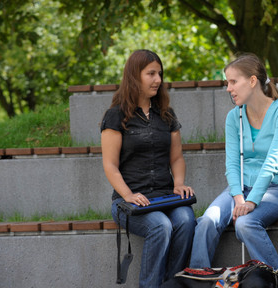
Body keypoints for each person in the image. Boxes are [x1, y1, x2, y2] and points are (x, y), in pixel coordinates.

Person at [189, 54, 278, 276]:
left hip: (276, 189)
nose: (228, 88)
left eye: (233, 81)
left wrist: (251, 201)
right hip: (240, 189)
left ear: (252, 81)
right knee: (207, 221)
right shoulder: (234, 116)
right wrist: (238, 197)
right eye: (227, 82)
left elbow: (273, 161)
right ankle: (198, 278)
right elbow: (232, 162)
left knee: (245, 224)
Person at [101, 49, 196, 288]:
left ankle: (171, 284)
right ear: (135, 76)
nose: (158, 80)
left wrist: (179, 183)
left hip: (165, 197)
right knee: (161, 226)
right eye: (151, 73)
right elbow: (110, 165)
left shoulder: (166, 115)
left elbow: (176, 158)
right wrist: (128, 195)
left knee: (186, 220)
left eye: (159, 74)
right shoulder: (115, 116)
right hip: (128, 201)